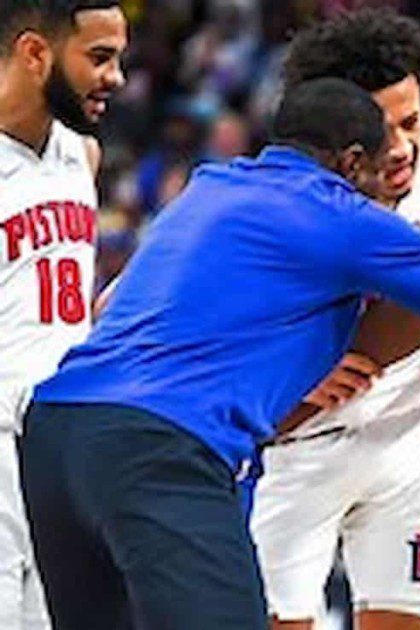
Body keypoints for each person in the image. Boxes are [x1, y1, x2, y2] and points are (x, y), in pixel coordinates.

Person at [19, 77, 420, 630]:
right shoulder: (342, 215)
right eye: (378, 167)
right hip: (161, 447)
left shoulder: (211, 186)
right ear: (351, 162)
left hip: (53, 435)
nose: (387, 183)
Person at [248, 11, 420, 630]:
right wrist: (284, 379)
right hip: (295, 449)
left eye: (412, 121)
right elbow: (138, 314)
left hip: (411, 435)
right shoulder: (274, 196)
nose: (402, 148)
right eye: (379, 130)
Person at [0, 2, 126, 628]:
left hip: (60, 443)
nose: (118, 78)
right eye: (99, 57)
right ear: (35, 53)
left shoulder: (84, 156)